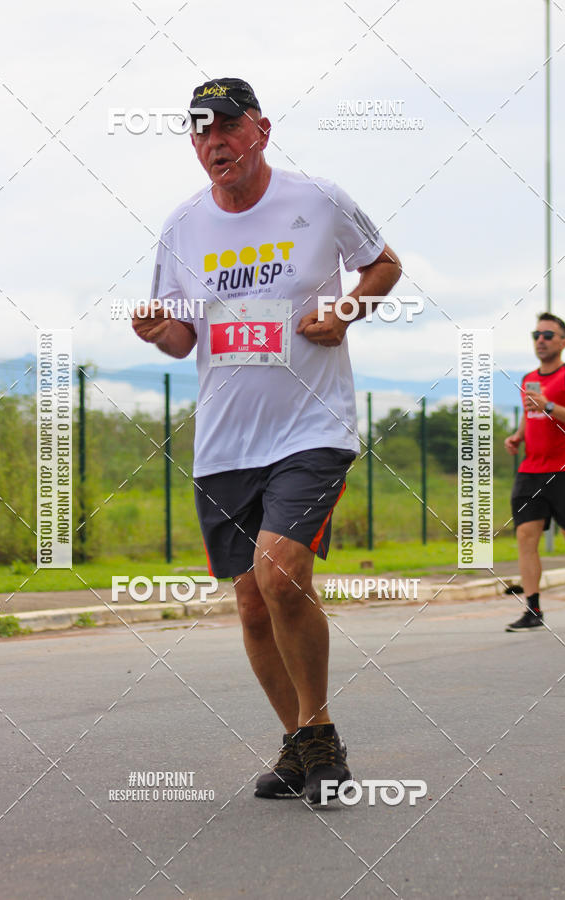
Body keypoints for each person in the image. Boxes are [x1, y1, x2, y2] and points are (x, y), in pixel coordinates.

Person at [133, 77, 401, 803]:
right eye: (199, 132)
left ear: (261, 130)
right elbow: (183, 332)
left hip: (313, 426)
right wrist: (162, 334)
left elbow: (384, 263)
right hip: (225, 441)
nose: (212, 142)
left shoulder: (318, 200)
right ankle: (299, 742)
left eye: (225, 127)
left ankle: (318, 735)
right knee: (253, 600)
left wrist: (345, 310)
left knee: (281, 570)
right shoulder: (182, 225)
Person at [504, 312, 565, 631]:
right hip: (531, 470)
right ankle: (533, 609)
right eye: (536, 335)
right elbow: (531, 419)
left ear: (563, 342)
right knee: (526, 535)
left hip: (563, 469)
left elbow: (548, 411)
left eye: (548, 335)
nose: (540, 340)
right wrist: (518, 435)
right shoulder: (529, 379)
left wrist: (551, 407)